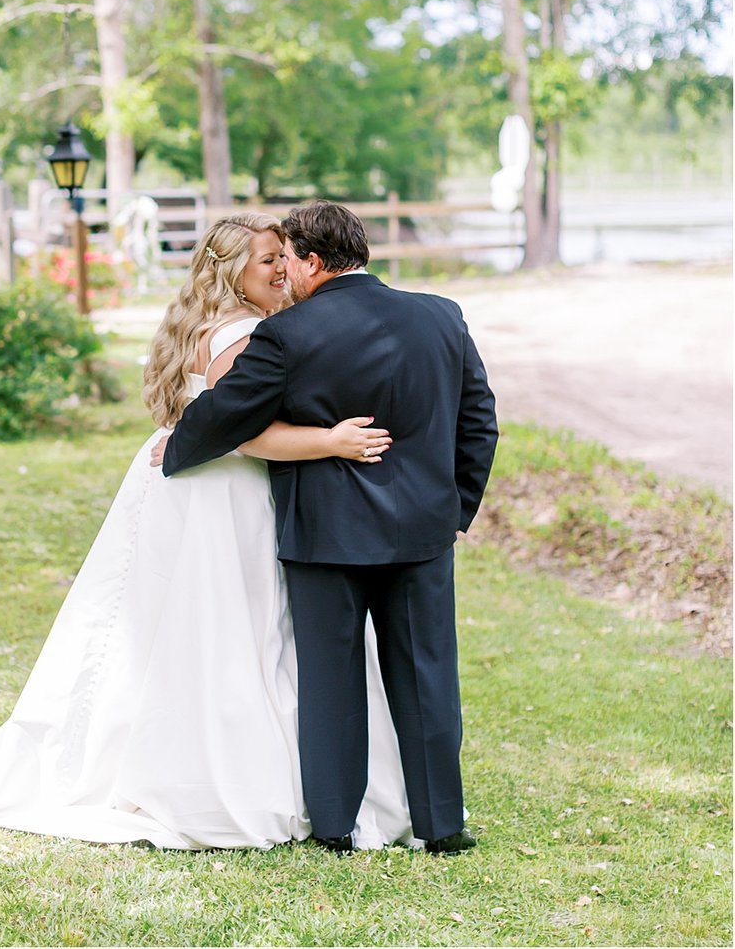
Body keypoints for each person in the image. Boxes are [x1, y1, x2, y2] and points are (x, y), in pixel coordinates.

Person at [0, 213, 413, 851]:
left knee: (206, 625)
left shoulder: (214, 325)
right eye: (267, 258)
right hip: (224, 491)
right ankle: (233, 774)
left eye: (284, 256)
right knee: (235, 625)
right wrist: (332, 440)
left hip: (194, 487)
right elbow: (237, 433)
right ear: (233, 271)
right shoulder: (243, 335)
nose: (281, 268)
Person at [162, 201, 498, 855]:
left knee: (331, 682)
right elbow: (479, 423)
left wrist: (178, 443)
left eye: (288, 257)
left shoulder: (288, 335)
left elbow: (230, 410)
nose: (284, 269)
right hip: (422, 536)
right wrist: (451, 510)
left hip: (325, 537)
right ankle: (443, 827)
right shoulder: (441, 315)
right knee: (428, 677)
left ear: (313, 261)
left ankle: (337, 827)